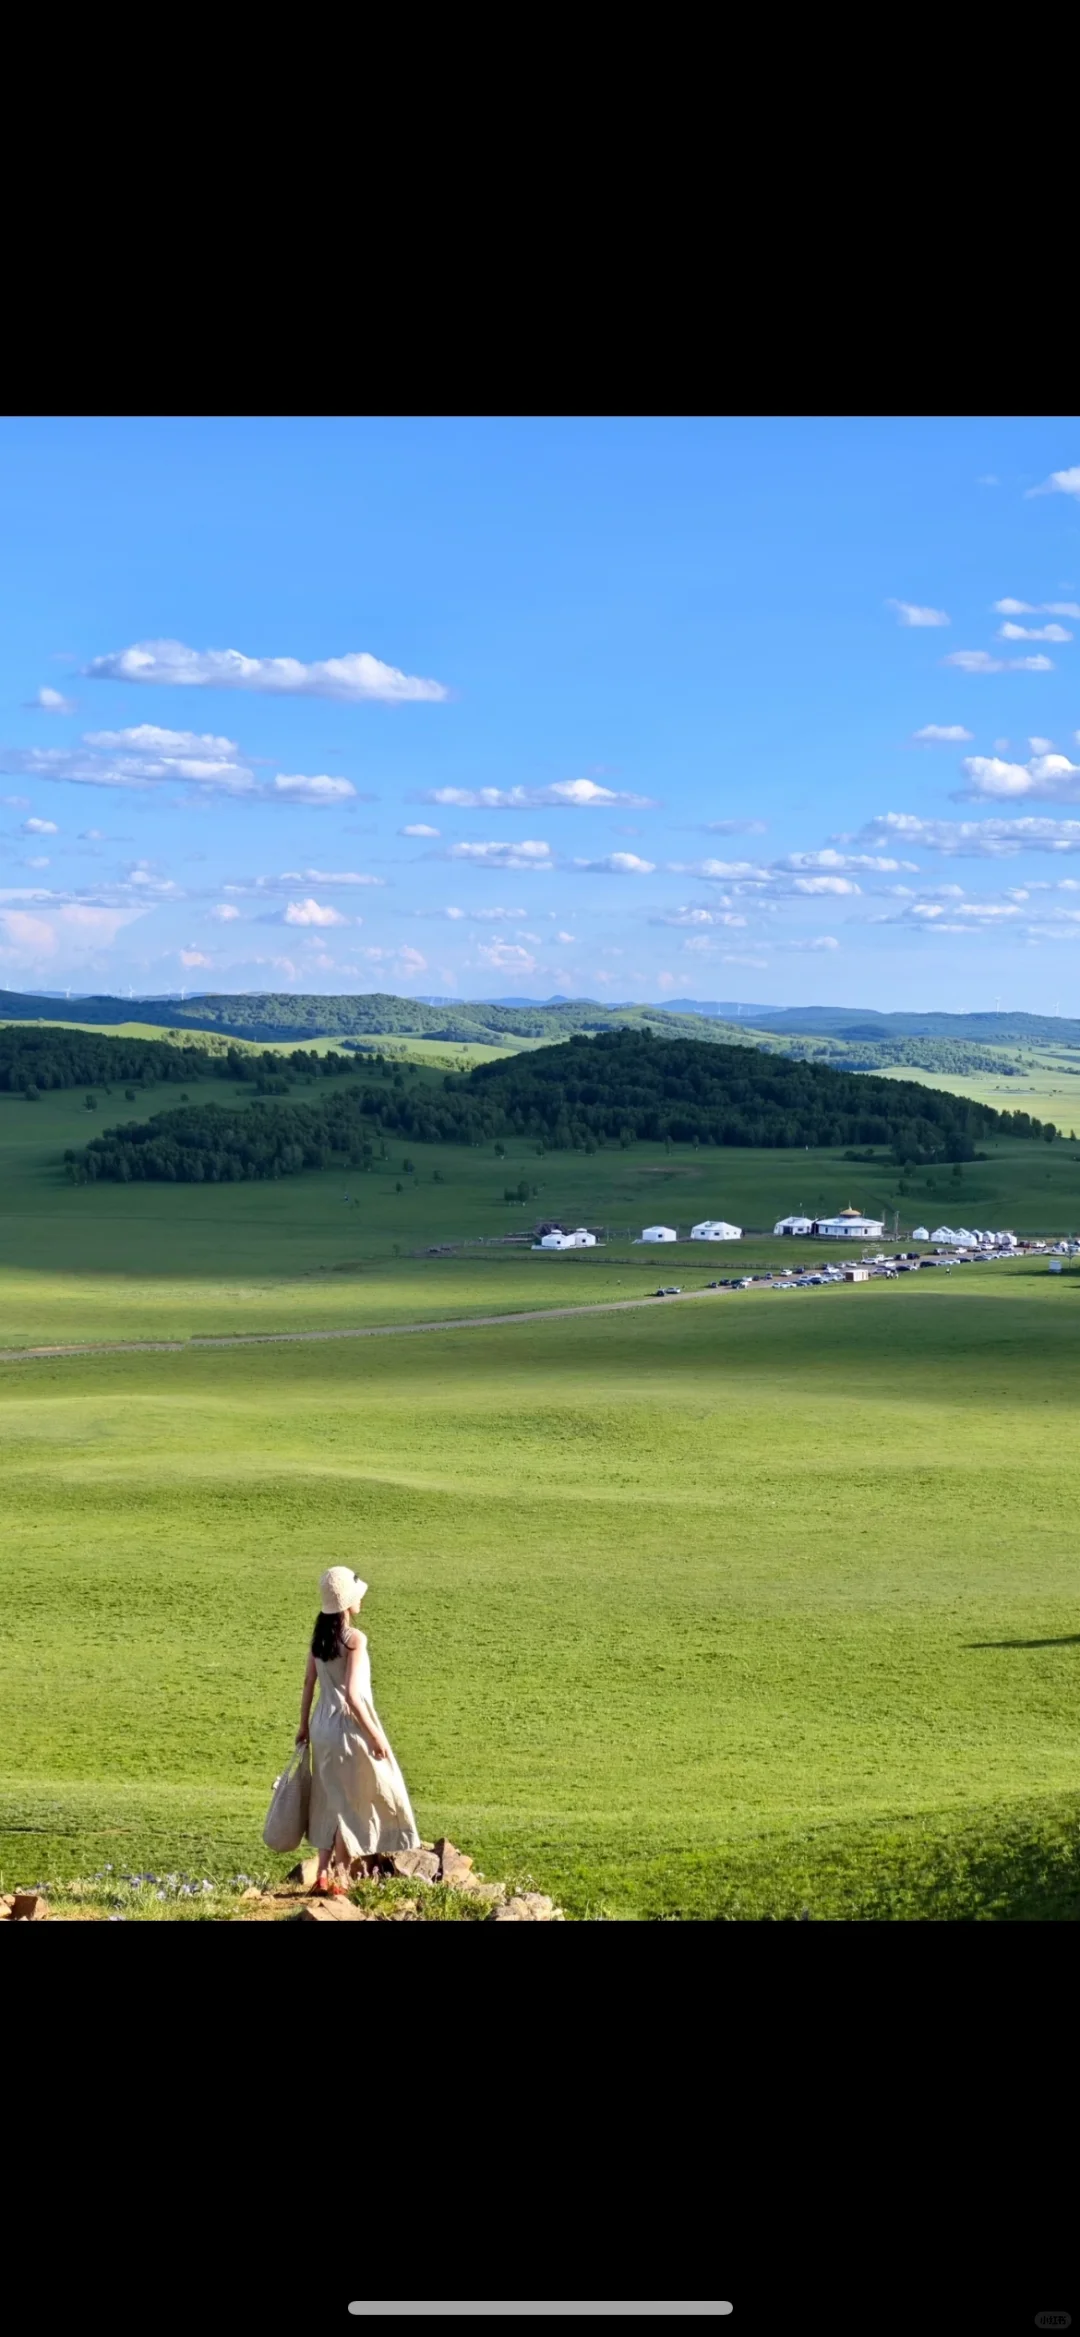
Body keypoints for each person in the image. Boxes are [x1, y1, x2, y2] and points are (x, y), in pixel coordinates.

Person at [296, 1566, 420, 1896]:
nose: (362, 1599)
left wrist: (303, 1726)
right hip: (347, 1728)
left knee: (329, 1799)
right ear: (347, 1602)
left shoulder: (318, 1641)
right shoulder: (354, 1640)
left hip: (322, 1726)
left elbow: (310, 1682)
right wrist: (375, 1735)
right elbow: (353, 1694)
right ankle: (340, 1877)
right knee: (350, 1803)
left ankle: (321, 1874)